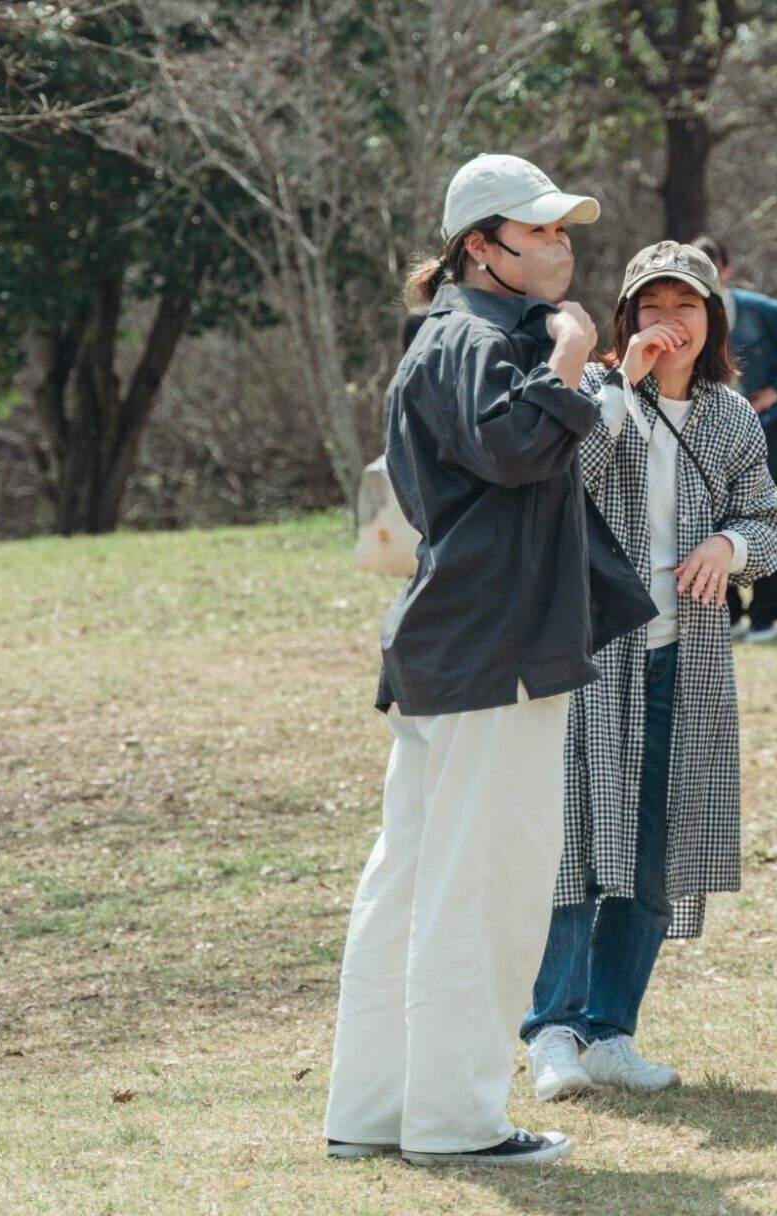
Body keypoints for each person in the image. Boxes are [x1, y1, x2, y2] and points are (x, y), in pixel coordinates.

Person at [323, 153, 653, 1168]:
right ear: (480, 245)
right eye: (539, 229)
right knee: (485, 888)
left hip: (457, 645)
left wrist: (585, 372)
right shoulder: (473, 337)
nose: (560, 246)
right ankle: (457, 1125)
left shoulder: (462, 336)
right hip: (495, 649)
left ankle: (373, 1111)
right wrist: (575, 355)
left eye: (563, 230)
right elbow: (515, 450)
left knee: (412, 884)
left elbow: (517, 454)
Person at [522, 241, 777, 1100]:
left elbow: (768, 525)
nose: (668, 322)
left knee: (655, 853)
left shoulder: (731, 416)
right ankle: (551, 1032)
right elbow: (563, 480)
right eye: (651, 306)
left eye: (686, 306)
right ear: (627, 318)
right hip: (592, 652)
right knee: (575, 842)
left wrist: (730, 544)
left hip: (688, 657)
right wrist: (621, 385)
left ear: (712, 320)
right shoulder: (594, 394)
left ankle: (611, 1031)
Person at [691, 235, 777, 643]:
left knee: (771, 515)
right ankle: (727, 611)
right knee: (710, 520)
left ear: (726, 269)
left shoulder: (754, 308)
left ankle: (766, 613)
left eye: (711, 267)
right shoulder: (686, 314)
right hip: (708, 432)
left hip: (765, 427)